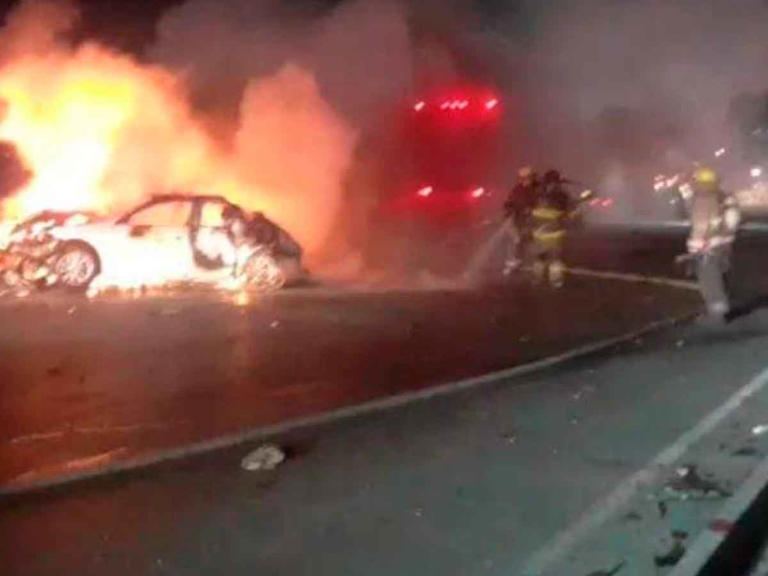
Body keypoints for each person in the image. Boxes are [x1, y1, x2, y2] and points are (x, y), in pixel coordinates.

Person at [686, 166, 740, 322]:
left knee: (711, 280)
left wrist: (714, 240)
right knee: (708, 280)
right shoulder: (700, 200)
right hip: (705, 248)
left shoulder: (717, 199)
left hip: (713, 248)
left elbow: (730, 223)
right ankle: (716, 309)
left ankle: (718, 314)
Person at [530, 169, 572, 287]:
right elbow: (567, 211)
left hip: (538, 232)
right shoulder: (561, 195)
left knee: (540, 257)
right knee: (555, 257)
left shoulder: (537, 193)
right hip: (555, 232)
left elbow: (531, 210)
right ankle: (556, 280)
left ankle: (536, 279)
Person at [502, 166, 538, 275]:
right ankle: (512, 263)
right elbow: (509, 203)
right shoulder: (517, 190)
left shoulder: (538, 188)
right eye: (524, 178)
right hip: (518, 220)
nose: (526, 180)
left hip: (533, 220)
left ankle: (530, 262)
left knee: (530, 240)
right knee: (517, 240)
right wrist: (509, 211)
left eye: (529, 178)